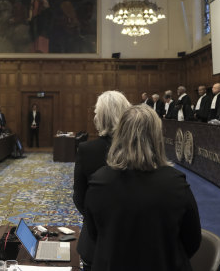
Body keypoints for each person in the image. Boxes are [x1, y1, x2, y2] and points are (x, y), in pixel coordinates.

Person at [85, 105, 201, 270]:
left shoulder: (99, 182)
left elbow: (94, 234)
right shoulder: (175, 183)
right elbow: (192, 240)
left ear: (119, 135)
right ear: (157, 138)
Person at [73, 91, 131, 270]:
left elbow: (80, 198)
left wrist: (98, 220)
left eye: (96, 113)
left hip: (96, 240)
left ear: (103, 117)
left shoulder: (87, 150)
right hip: (137, 240)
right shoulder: (140, 149)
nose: (94, 117)